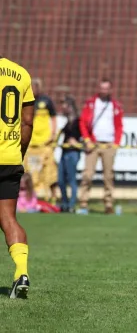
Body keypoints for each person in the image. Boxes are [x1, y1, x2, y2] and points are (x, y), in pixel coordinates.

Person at [0, 56, 35, 298]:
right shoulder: (21, 73)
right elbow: (27, 122)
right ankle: (21, 271)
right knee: (8, 219)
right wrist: (18, 153)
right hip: (10, 158)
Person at [78, 78, 124, 215]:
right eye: (102, 88)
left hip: (109, 144)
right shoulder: (91, 103)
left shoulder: (115, 106)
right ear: (99, 89)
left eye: (106, 88)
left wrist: (116, 143)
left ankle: (108, 203)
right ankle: (83, 202)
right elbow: (83, 123)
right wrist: (87, 140)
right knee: (87, 174)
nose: (104, 91)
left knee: (108, 176)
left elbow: (119, 126)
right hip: (93, 144)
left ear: (110, 90)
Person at [23, 78, 58, 203]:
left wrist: (53, 134)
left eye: (36, 86)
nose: (34, 89)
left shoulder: (46, 101)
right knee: (30, 172)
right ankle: (31, 199)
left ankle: (52, 198)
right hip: (31, 143)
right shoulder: (25, 101)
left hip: (44, 143)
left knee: (49, 172)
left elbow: (53, 118)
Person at [57, 96, 82, 213]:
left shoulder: (79, 121)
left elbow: (85, 136)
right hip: (64, 151)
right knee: (61, 180)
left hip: (73, 152)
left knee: (71, 179)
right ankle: (64, 202)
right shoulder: (66, 121)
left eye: (65, 106)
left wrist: (77, 142)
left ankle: (71, 204)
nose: (62, 108)